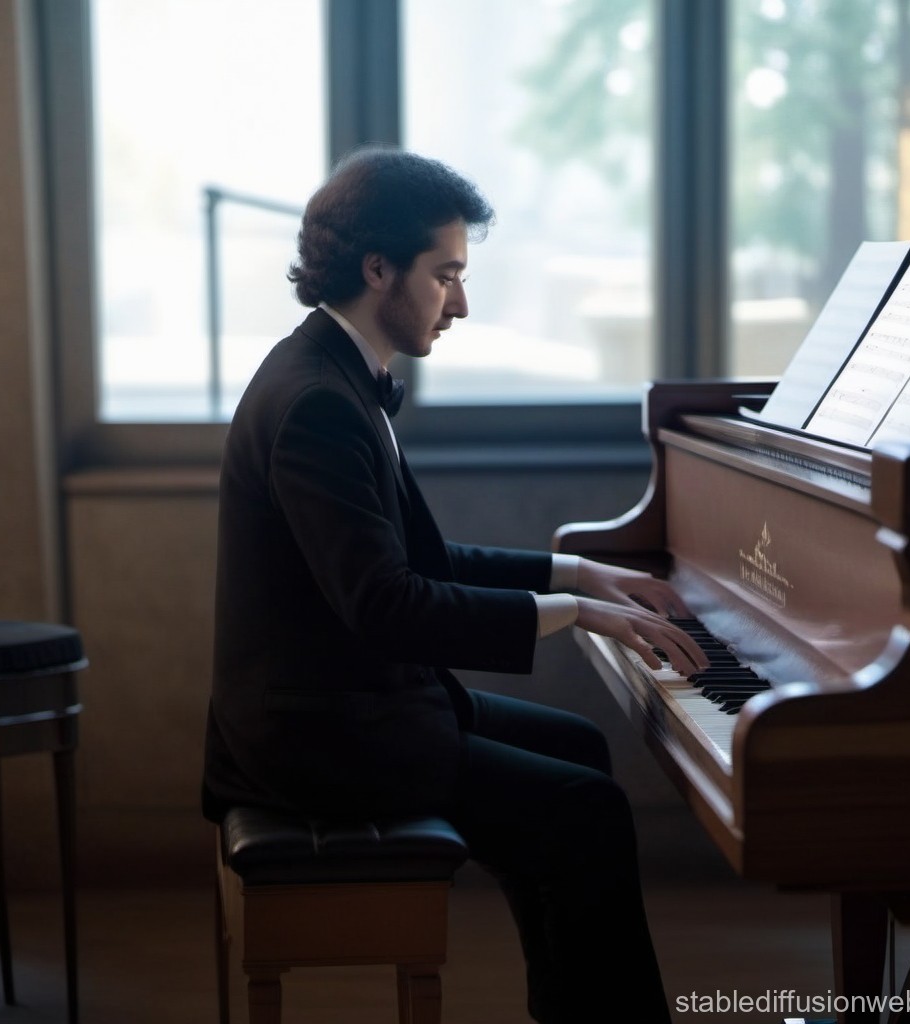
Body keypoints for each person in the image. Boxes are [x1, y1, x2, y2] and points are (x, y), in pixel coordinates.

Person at [202, 145, 708, 1024]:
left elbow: (413, 565)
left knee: (580, 755)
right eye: (447, 276)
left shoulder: (337, 374)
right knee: (584, 813)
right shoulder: (318, 403)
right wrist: (582, 614)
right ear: (378, 269)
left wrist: (583, 570)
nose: (461, 303)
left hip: (358, 705)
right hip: (318, 738)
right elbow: (389, 606)